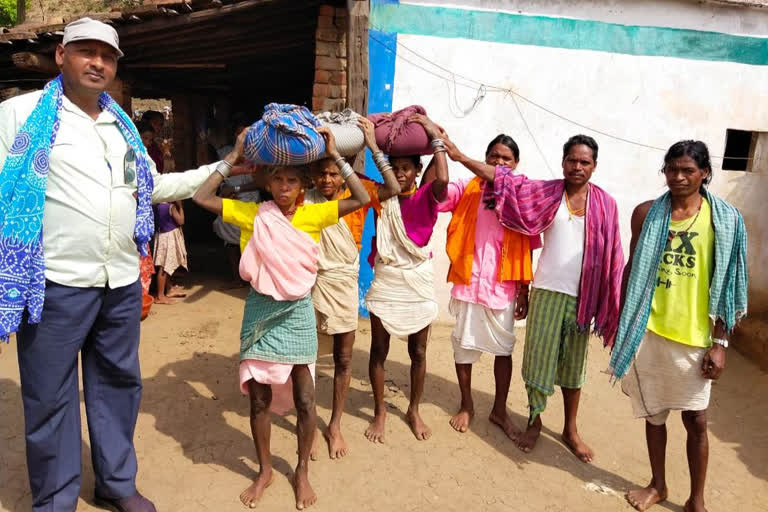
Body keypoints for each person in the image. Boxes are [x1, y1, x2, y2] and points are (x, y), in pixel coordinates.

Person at [0, 18, 249, 512]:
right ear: (61, 56)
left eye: (107, 56)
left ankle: (116, 483)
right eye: (86, 52)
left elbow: (151, 187)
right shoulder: (18, 115)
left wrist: (224, 167)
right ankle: (54, 498)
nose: (98, 63)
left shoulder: (123, 125)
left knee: (118, 384)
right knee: (50, 397)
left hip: (119, 281)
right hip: (53, 283)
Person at [193, 127, 370, 510]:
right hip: (259, 312)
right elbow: (200, 196)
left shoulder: (314, 214)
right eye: (278, 179)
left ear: (302, 184)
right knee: (258, 400)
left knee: (306, 399)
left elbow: (360, 196)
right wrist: (235, 155)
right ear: (268, 183)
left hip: (297, 314)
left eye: (292, 180)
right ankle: (265, 470)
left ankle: (301, 469)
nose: (285, 187)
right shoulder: (252, 213)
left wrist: (337, 155)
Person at [443, 134, 624, 461]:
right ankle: (534, 421)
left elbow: (613, 254)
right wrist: (456, 155)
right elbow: (504, 184)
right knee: (537, 363)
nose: (577, 167)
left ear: (594, 166)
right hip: (545, 290)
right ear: (563, 162)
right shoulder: (545, 194)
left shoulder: (606, 204)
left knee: (573, 368)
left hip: (581, 298)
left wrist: (608, 299)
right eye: (572, 160)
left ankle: (570, 429)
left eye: (584, 162)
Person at [612, 141, 747, 512]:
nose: (678, 177)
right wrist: (622, 324)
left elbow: (730, 285)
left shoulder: (726, 220)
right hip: (650, 331)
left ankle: (696, 500)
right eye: (672, 169)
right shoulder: (646, 214)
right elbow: (631, 272)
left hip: (695, 338)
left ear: (705, 173)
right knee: (654, 414)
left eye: (688, 170)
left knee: (697, 420)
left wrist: (720, 343)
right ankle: (657, 485)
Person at [305, 116, 400, 459]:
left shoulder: (358, 189)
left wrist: (372, 146)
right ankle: (309, 424)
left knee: (344, 359)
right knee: (308, 361)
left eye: (333, 172)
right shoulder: (305, 197)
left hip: (344, 286)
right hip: (312, 286)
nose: (327, 179)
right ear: (311, 174)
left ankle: (334, 425)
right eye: (321, 172)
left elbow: (393, 188)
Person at [435, 134, 541, 438]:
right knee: (463, 346)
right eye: (493, 156)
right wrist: (440, 152)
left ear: (516, 164)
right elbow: (440, 195)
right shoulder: (468, 188)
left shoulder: (522, 195)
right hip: (470, 280)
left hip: (503, 284)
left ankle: (499, 409)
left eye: (506, 158)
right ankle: (466, 404)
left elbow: (528, 244)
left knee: (503, 350)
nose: (499, 162)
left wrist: (524, 288)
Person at [364, 114, 449, 443]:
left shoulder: (428, 196)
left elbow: (441, 177)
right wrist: (371, 142)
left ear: (417, 171)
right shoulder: (380, 195)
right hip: (387, 278)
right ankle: (380, 411)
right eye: (394, 167)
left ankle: (413, 409)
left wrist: (432, 135)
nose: (399, 173)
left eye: (405, 168)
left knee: (419, 351)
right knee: (378, 351)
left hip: (417, 279)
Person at [212, 119, 264, 288]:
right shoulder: (226, 153)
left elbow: (261, 182)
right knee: (230, 242)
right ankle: (237, 277)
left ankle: (252, 278)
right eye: (238, 132)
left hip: (250, 201)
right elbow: (217, 175)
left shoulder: (258, 154)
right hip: (231, 201)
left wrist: (237, 188)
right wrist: (224, 190)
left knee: (251, 240)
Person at [152, 200, 188, 304]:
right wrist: (180, 206)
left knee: (166, 265)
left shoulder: (157, 205)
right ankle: (160, 296)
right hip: (169, 237)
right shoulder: (170, 207)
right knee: (165, 267)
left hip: (161, 236)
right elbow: (181, 221)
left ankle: (169, 289)